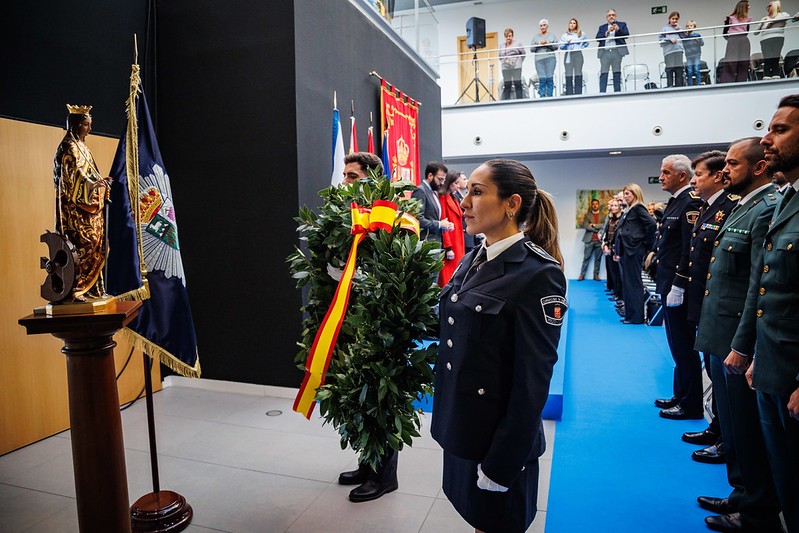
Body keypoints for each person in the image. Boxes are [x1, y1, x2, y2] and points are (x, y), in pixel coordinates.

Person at [432, 159, 567, 533]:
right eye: (466, 191)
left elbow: (532, 382)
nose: (464, 202)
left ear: (512, 204)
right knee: (479, 520)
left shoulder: (538, 274)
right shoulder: (475, 256)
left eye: (477, 192)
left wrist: (503, 462)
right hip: (464, 426)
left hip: (497, 440)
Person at [694, 138, 783, 533]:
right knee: (732, 424)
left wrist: (741, 345)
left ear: (758, 167)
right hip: (721, 332)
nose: (724, 171)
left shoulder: (765, 209)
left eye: (731, 164)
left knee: (747, 429)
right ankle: (741, 492)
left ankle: (755, 507)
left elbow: (756, 285)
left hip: (735, 337)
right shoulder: (741, 207)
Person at [736, 95, 799, 533]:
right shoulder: (786, 199)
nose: (767, 138)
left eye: (780, 130)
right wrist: (758, 351)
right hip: (776, 363)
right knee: (787, 481)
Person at [670, 151, 738, 465]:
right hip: (703, 302)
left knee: (722, 378)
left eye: (699, 174)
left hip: (719, 306)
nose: (696, 179)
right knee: (712, 370)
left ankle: (726, 438)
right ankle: (718, 428)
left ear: (717, 176)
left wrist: (680, 284)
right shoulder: (710, 208)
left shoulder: (730, 207)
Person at [654, 154, 704, 420]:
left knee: (684, 346)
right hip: (666, 282)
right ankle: (680, 393)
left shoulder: (690, 204)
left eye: (665, 172)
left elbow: (689, 249)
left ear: (681, 176)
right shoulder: (676, 202)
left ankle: (691, 403)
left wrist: (679, 284)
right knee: (675, 344)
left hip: (677, 286)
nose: (661, 177)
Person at [53, 104, 112, 301]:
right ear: (77, 125)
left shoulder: (83, 147)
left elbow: (89, 172)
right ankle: (76, 288)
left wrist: (100, 183)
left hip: (91, 206)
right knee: (86, 243)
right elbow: (73, 176)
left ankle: (92, 288)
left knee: (101, 244)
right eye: (87, 125)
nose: (90, 129)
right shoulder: (69, 147)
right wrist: (93, 184)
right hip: (76, 209)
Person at [613, 183, 656, 324]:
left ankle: (636, 317)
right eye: (624, 194)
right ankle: (630, 315)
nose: (625, 196)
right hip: (628, 251)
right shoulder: (631, 210)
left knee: (633, 284)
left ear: (636, 194)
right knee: (629, 283)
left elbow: (652, 224)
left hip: (634, 251)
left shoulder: (638, 208)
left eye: (628, 194)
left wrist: (644, 244)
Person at [412, 161, 455, 243]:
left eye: (444, 180)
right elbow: (417, 219)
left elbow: (433, 218)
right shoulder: (420, 191)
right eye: (440, 179)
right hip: (426, 243)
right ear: (430, 176)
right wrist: (439, 224)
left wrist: (445, 226)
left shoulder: (434, 192)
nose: (442, 183)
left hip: (436, 241)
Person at [439, 170, 466, 287]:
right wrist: (448, 247)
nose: (456, 185)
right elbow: (443, 221)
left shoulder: (453, 198)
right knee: (447, 276)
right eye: (455, 183)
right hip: (451, 241)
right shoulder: (443, 198)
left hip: (457, 240)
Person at [755, 0, 792, 79]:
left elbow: (787, 16)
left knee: (775, 57)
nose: (768, 8)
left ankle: (776, 74)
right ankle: (767, 75)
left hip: (778, 38)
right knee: (767, 58)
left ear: (775, 6)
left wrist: (771, 22)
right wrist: (762, 22)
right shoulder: (765, 18)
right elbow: (755, 32)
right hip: (765, 40)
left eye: (770, 6)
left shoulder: (782, 14)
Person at [596, 9, 630, 93]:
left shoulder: (622, 24)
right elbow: (597, 38)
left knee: (616, 72)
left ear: (616, 16)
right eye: (609, 15)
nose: (611, 16)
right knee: (604, 73)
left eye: (613, 15)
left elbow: (626, 35)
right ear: (606, 18)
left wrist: (618, 30)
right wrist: (607, 32)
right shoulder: (602, 27)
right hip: (605, 53)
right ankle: (602, 93)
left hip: (617, 52)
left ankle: (617, 92)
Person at [720, 1, 752, 83]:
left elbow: (747, 31)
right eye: (748, 6)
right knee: (731, 61)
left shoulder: (748, 19)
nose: (749, 7)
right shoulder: (730, 18)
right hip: (733, 40)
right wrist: (731, 40)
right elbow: (724, 32)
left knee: (744, 62)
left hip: (744, 41)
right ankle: (728, 82)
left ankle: (741, 81)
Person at [559, 18, 589, 95]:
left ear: (576, 25)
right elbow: (561, 46)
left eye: (574, 23)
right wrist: (566, 43)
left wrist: (581, 47)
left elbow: (587, 42)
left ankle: (578, 93)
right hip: (568, 54)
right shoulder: (565, 35)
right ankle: (569, 93)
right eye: (571, 23)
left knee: (578, 73)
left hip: (577, 54)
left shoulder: (581, 33)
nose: (572, 24)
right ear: (569, 25)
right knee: (568, 74)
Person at [602, 198, 623, 300]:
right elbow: (607, 234)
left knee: (618, 274)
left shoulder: (621, 219)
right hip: (609, 248)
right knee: (612, 272)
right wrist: (605, 245)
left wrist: (613, 248)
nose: (613, 208)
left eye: (616, 206)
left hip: (616, 250)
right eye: (612, 206)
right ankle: (615, 292)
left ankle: (619, 295)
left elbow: (618, 236)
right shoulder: (611, 219)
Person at [530, 20, 558, 98]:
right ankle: (542, 97)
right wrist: (538, 44)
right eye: (541, 26)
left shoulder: (552, 35)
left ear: (547, 26)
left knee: (549, 78)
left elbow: (556, 47)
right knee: (542, 79)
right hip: (539, 59)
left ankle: (550, 96)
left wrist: (548, 43)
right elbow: (531, 49)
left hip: (550, 58)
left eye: (544, 25)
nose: (542, 27)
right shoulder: (536, 37)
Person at [659, 11, 686, 88]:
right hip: (668, 52)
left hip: (678, 50)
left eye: (676, 19)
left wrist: (678, 29)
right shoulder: (664, 29)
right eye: (673, 18)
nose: (674, 20)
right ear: (669, 19)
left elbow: (684, 37)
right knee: (669, 69)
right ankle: (670, 86)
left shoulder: (680, 28)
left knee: (679, 69)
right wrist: (670, 39)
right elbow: (661, 41)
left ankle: (679, 86)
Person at [578, 198, 603, 281]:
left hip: (599, 241)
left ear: (598, 205)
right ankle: (582, 275)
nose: (595, 205)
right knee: (586, 258)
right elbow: (585, 226)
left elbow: (603, 226)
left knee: (598, 259)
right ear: (591, 205)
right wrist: (595, 228)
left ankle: (596, 275)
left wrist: (594, 225)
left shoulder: (604, 215)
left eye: (596, 204)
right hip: (589, 240)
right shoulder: (587, 215)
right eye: (593, 204)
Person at [499, 28, 526, 100]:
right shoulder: (502, 45)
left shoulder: (517, 43)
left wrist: (519, 62)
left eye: (510, 36)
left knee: (517, 83)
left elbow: (523, 54)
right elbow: (500, 56)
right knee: (507, 84)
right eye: (507, 36)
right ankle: (506, 102)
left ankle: (520, 101)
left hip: (516, 66)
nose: (508, 38)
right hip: (505, 67)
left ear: (512, 36)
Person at [683, 20, 705, 86]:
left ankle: (698, 85)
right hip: (688, 55)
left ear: (694, 27)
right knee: (689, 71)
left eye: (691, 26)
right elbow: (683, 44)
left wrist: (697, 39)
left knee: (696, 69)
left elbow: (702, 43)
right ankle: (690, 85)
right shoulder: (685, 36)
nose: (689, 27)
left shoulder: (697, 35)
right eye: (687, 26)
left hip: (696, 54)